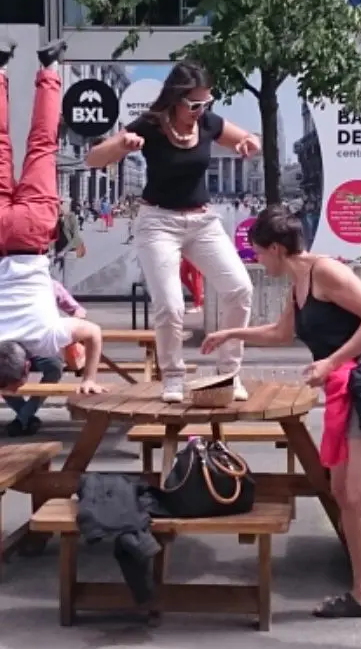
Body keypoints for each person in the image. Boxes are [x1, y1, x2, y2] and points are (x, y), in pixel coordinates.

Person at [201, 206, 361, 649]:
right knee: (342, 490)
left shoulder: (326, 272)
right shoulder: (298, 283)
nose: (257, 260)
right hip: (344, 389)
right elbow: (282, 333)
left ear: (276, 248)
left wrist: (332, 361)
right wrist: (230, 333)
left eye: (258, 252)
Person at [86, 60, 257, 403]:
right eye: (194, 104)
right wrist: (121, 144)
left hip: (202, 222)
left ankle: (229, 372)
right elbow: (93, 159)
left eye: (206, 103)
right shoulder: (151, 124)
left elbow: (249, 138)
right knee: (170, 306)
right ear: (176, 100)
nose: (200, 110)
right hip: (158, 223)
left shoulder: (208, 122)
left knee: (240, 289)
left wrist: (249, 143)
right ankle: (173, 377)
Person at [0, 38, 104, 395]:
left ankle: (49, 67)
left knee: (42, 143)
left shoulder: (46, 339)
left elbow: (93, 333)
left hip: (32, 234)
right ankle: (0, 69)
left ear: (27, 365)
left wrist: (89, 378)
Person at [2, 279, 87, 436]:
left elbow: (77, 310)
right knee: (3, 371)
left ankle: (23, 417)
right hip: (10, 350)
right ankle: (26, 417)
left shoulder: (47, 284)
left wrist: (66, 327)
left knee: (54, 367)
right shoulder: (5, 284)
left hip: (40, 348)